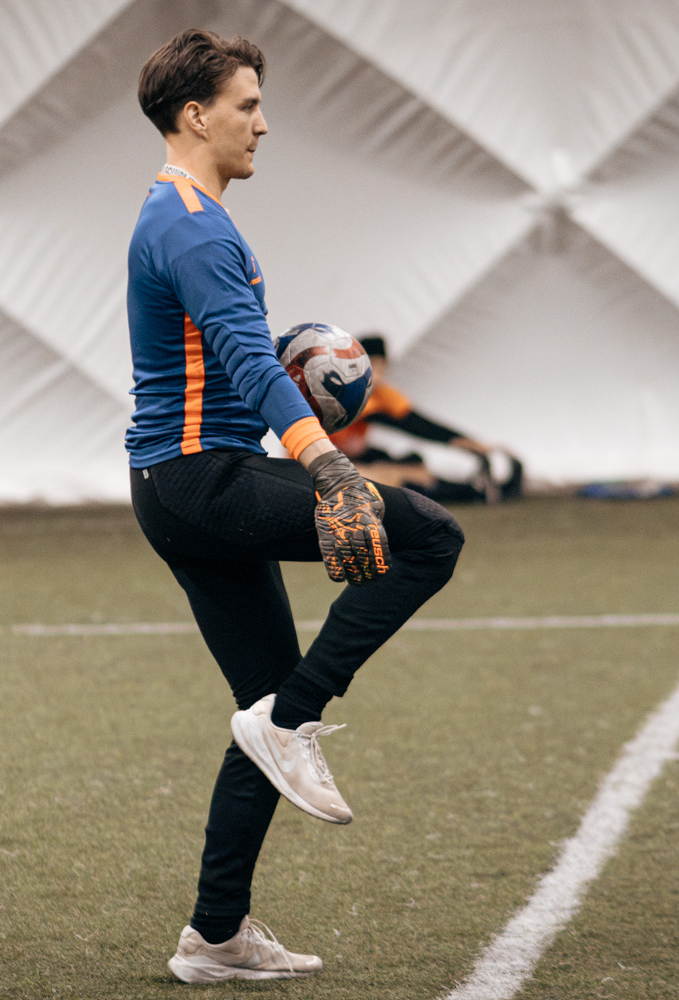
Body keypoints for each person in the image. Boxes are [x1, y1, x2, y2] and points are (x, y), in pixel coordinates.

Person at [125, 29, 465, 983]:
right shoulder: (194, 226)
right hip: (204, 481)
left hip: (177, 485)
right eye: (248, 106)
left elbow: (231, 352)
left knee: (265, 704)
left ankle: (215, 937)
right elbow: (241, 356)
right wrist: (330, 468)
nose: (263, 124)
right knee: (432, 537)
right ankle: (293, 722)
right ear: (196, 116)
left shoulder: (180, 215)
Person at [331, 335, 525, 504]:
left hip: (357, 457)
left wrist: (466, 441)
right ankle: (474, 494)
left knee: (413, 463)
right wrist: (460, 441)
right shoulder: (348, 394)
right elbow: (405, 424)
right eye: (371, 366)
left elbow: (418, 422)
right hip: (331, 462)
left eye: (380, 366)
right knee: (387, 477)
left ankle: (477, 491)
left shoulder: (382, 394)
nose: (377, 373)